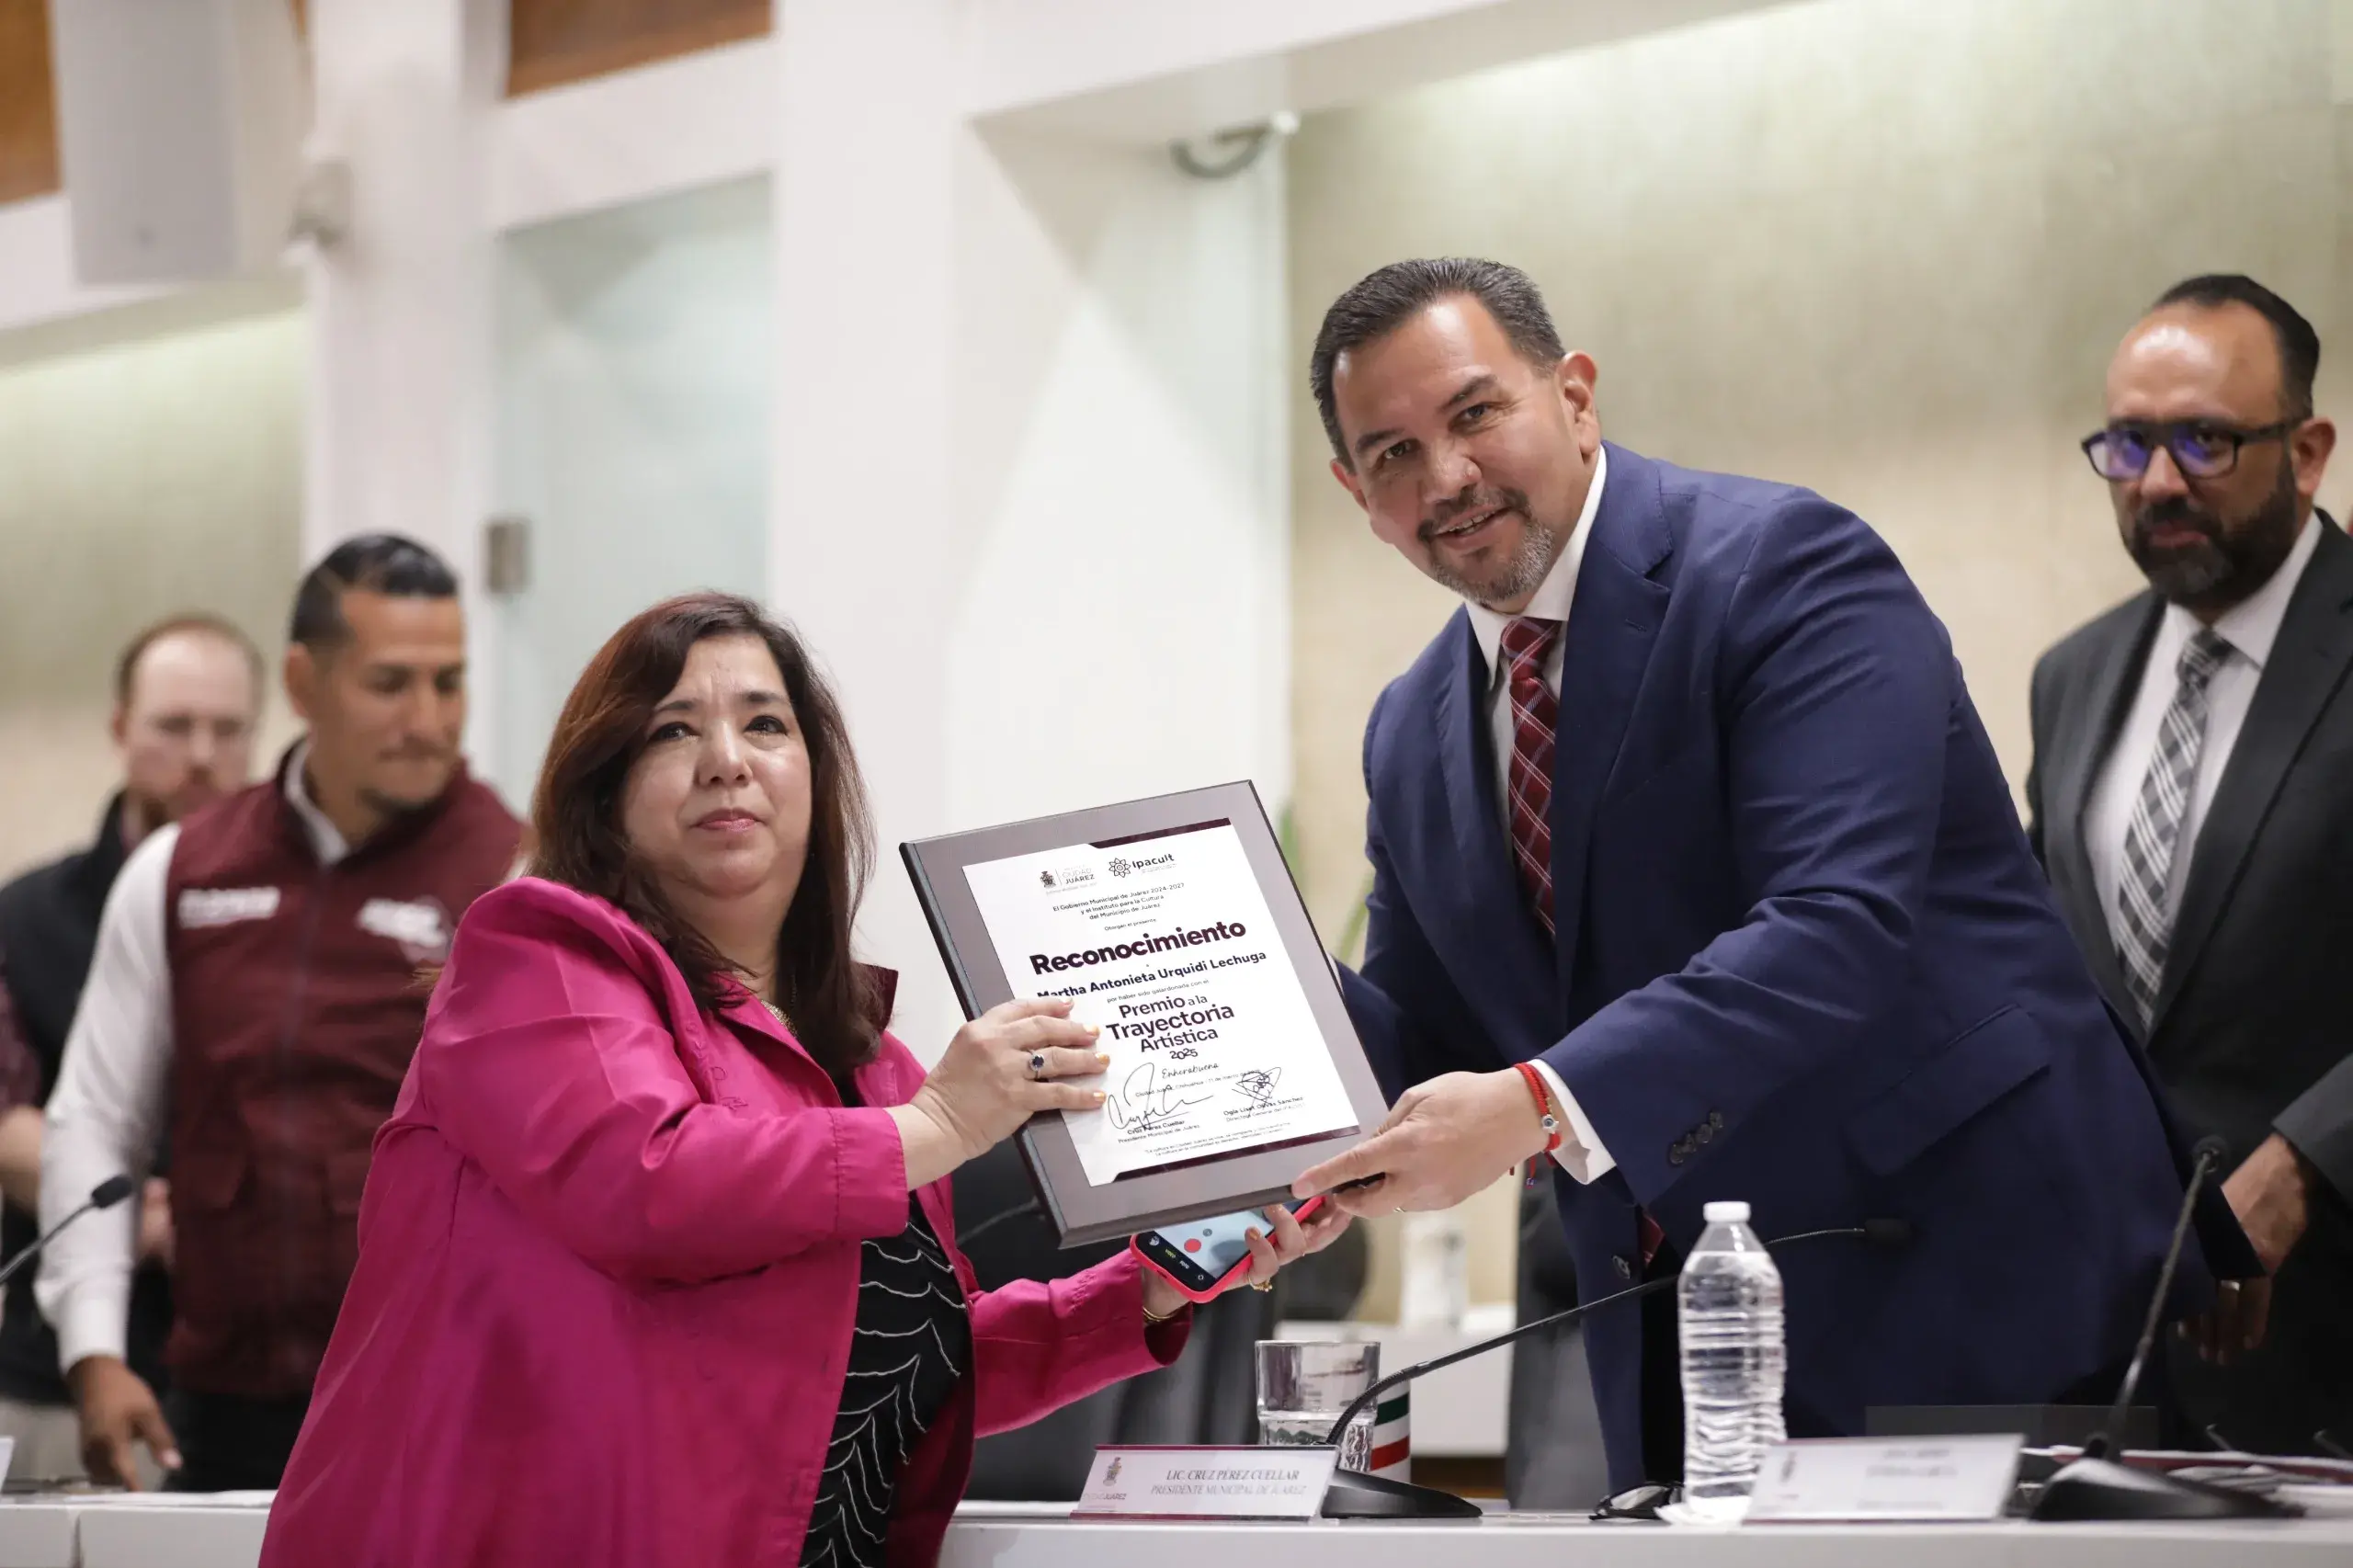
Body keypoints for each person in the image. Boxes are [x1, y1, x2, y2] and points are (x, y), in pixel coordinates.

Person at [1287, 257, 2252, 1493]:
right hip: (1674, 1332)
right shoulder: (1410, 725)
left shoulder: (1785, 564)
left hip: (1971, 1267)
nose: (1447, 476)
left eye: (1475, 413)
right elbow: (1425, 1037)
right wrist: (1214, 1017)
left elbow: (1835, 924)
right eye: (1393, 453)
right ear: (1355, 493)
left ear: (1573, 396)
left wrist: (1533, 1104)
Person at [256, 593, 1347, 1568]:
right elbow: (650, 1182)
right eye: (672, 729)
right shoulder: (535, 955)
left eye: (765, 724)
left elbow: (904, 1373)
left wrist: (1157, 1277)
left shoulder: (871, 1069)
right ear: (605, 790)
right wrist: (937, 1122)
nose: (726, 759)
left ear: (816, 778)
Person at [38, 535, 524, 1491]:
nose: (428, 719)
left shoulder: (517, 877)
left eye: (449, 682)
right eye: (390, 683)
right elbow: (97, 1117)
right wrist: (94, 1350)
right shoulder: (183, 869)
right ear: (304, 682)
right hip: (221, 1410)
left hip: (445, 1410)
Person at [2026, 275, 2353, 1456]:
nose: (2157, 481)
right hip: (2116, 1351)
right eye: (2127, 443)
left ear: (2305, 452)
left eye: (2203, 441)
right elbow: (2042, 975)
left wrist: (2305, 1163)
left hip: (2331, 1328)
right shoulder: (2072, 677)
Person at [0, 616, 263, 1480]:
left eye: (227, 730)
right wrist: (132, 1212)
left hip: (250, 1366)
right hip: (59, 1366)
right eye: (174, 726)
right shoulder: (25, 916)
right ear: (120, 728)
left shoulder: (293, 919)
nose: (202, 756)